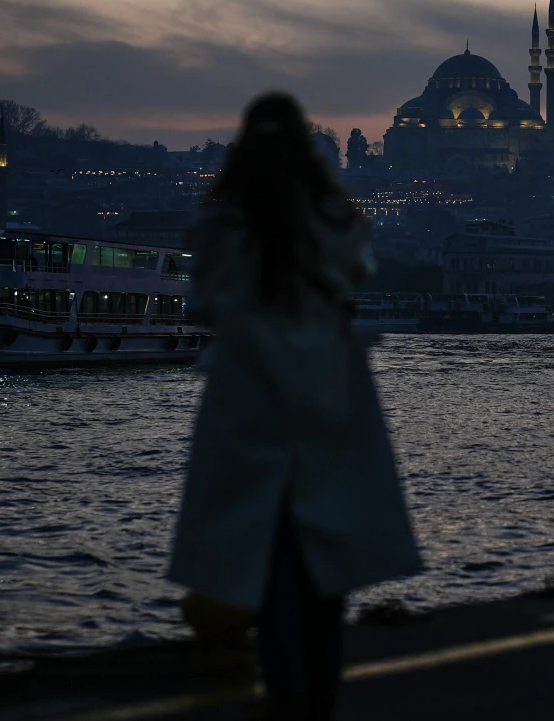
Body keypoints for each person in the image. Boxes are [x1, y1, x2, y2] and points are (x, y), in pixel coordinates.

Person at [169, 93, 421, 719]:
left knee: (266, 555)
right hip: (327, 395)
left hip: (249, 398)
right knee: (324, 562)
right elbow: (358, 270)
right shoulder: (334, 217)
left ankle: (286, 697)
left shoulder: (221, 225)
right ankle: (319, 700)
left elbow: (203, 299)